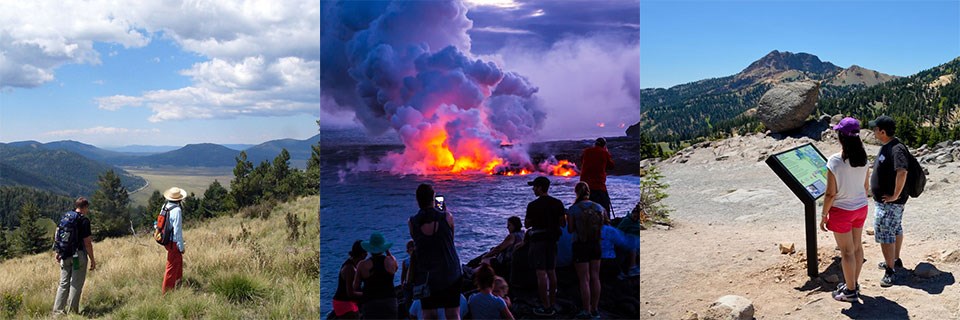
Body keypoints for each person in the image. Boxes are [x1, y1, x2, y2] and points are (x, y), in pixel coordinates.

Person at [819, 117, 870, 302]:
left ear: (841, 137)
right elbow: (866, 187)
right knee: (857, 248)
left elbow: (830, 194)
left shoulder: (835, 161)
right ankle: (853, 283)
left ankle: (850, 291)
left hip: (842, 211)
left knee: (846, 252)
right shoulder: (864, 159)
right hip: (860, 208)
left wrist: (824, 215)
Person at [868, 115, 912, 287]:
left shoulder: (896, 149)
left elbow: (902, 172)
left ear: (883, 132)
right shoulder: (889, 145)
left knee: (886, 234)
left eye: (875, 129)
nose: (873, 131)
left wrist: (894, 195)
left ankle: (890, 270)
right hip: (888, 202)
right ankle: (895, 260)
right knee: (895, 229)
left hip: (890, 203)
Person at [409, 184, 463, 320]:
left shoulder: (412, 222)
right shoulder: (447, 217)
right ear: (433, 198)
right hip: (450, 272)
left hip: (427, 276)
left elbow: (417, 242)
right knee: (453, 313)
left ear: (417, 200)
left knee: (428, 314)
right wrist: (442, 211)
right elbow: (451, 239)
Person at [524, 176, 566, 316]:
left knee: (541, 273)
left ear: (541, 187)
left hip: (538, 240)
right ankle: (552, 303)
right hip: (552, 240)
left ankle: (545, 305)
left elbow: (527, 224)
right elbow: (562, 223)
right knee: (551, 271)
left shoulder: (532, 205)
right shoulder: (557, 203)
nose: (533, 189)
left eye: (535, 186)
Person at [52, 197, 96, 315]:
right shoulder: (84, 220)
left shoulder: (66, 217)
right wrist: (92, 259)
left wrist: (58, 251)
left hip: (65, 254)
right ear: (85, 207)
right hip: (78, 255)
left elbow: (58, 233)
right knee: (76, 284)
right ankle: (72, 312)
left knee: (63, 283)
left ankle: (57, 312)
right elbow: (87, 242)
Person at [567, 182, 604, 319]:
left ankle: (586, 310)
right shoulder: (599, 207)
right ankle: (595, 309)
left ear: (576, 192)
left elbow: (570, 230)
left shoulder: (573, 209)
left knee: (584, 279)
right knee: (595, 276)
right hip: (596, 244)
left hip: (580, 245)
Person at [354, 232, 398, 319]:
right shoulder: (391, 261)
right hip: (389, 301)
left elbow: (356, 286)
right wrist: (387, 250)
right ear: (383, 248)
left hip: (370, 303)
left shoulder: (362, 265)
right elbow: (396, 267)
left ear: (370, 248)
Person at [580, 137, 615, 219]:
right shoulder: (604, 152)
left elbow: (582, 160)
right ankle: (606, 224)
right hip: (599, 186)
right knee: (604, 208)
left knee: (585, 209)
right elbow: (611, 165)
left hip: (584, 186)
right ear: (604, 145)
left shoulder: (586, 151)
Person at [161, 187, 186, 294]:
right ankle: (166, 292)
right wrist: (181, 247)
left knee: (178, 262)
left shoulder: (165, 206)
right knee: (171, 267)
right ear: (179, 199)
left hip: (166, 241)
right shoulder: (177, 210)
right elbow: (177, 231)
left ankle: (178, 283)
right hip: (174, 243)